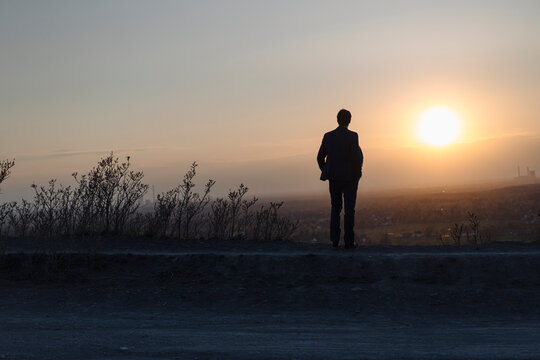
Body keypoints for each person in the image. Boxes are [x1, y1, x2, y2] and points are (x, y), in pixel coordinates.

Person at [317, 109, 363, 249]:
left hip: (334, 179)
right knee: (349, 209)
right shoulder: (353, 136)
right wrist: (357, 174)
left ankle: (334, 240)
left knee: (335, 208)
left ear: (337, 120)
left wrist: (327, 171)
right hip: (350, 179)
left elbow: (320, 157)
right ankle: (349, 242)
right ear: (349, 120)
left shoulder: (328, 136)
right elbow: (356, 158)